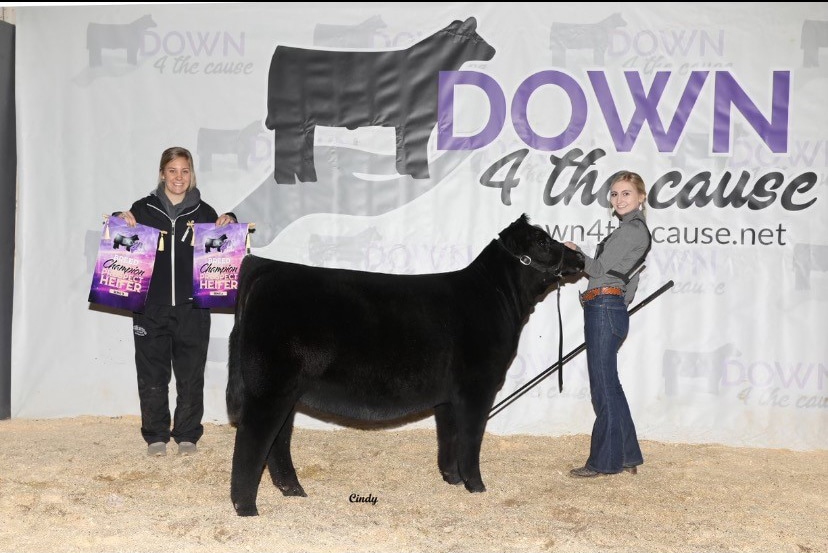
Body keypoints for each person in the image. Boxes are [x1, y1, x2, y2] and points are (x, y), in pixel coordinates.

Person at [115, 146, 236, 457]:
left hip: (192, 309)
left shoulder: (206, 214)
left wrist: (231, 220)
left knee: (190, 374)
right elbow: (119, 232)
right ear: (162, 174)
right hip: (149, 308)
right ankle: (155, 435)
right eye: (172, 171)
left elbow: (224, 243)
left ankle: (187, 435)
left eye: (184, 171)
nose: (178, 177)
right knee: (152, 374)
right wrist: (118, 219)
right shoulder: (142, 209)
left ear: (191, 174)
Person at [563, 171, 652, 477]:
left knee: (604, 389)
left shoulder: (631, 231)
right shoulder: (634, 229)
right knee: (610, 386)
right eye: (614, 194)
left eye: (626, 193)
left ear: (640, 197)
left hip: (603, 307)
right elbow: (629, 281)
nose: (619, 199)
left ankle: (605, 462)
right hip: (608, 307)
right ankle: (627, 455)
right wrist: (616, 303)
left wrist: (576, 253)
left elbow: (599, 268)